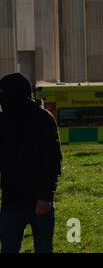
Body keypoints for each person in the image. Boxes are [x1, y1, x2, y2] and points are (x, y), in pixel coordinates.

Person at [0, 73, 62, 253]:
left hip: (38, 200)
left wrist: (46, 196)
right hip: (11, 201)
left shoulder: (43, 120)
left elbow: (53, 160)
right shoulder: (3, 121)